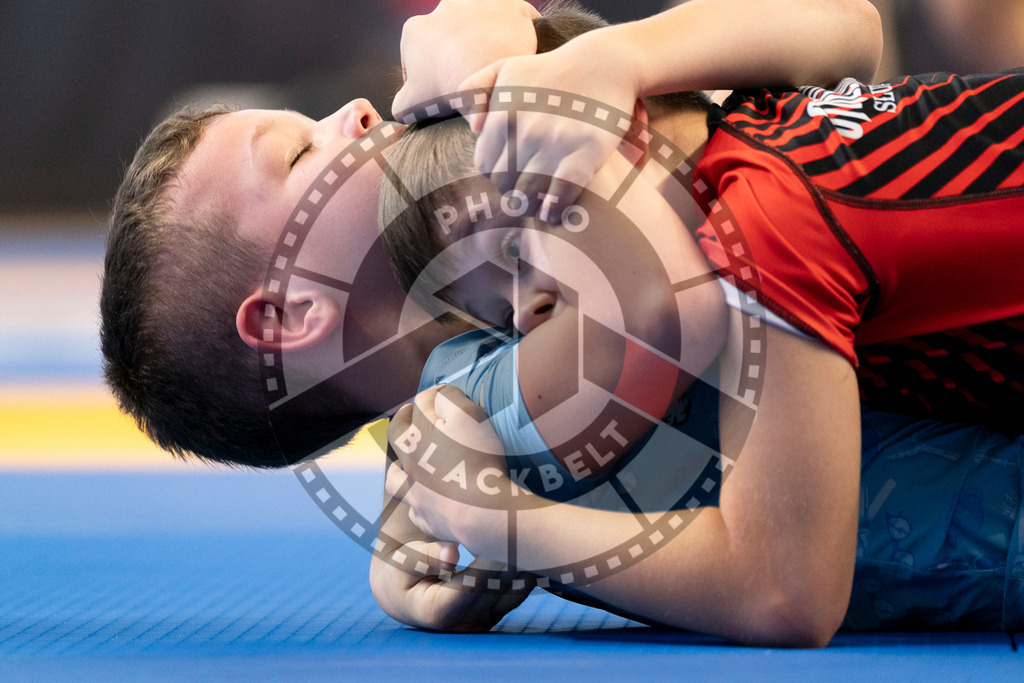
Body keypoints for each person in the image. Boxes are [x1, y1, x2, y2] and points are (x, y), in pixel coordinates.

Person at [376, 1, 1024, 645]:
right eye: (502, 314)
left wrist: (492, 518)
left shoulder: (769, 226)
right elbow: (847, 24)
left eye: (522, 253)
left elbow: (784, 595)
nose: (525, 315)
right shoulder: (756, 114)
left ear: (611, 140)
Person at [99, 0, 883, 468]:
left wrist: (617, 52)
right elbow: (664, 308)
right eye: (303, 151)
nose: (357, 113)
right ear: (289, 316)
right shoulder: (491, 427)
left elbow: (851, 28)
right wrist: (486, 66)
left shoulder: (472, 155)